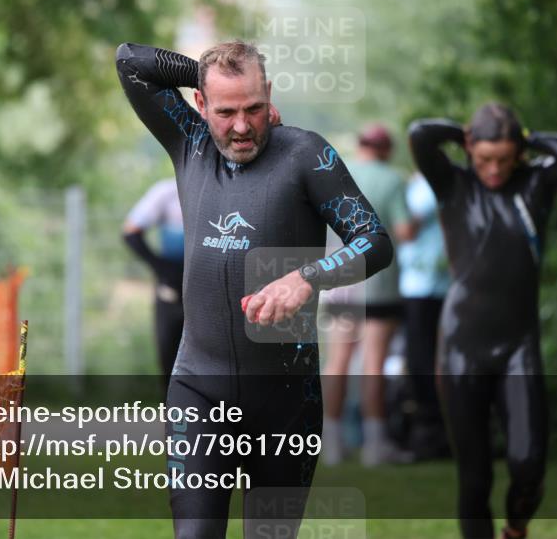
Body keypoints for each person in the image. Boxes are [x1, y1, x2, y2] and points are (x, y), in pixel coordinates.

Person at [115, 41, 393, 539]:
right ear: (201, 103)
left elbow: (375, 241)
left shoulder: (305, 154)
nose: (241, 126)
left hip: (288, 400)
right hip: (199, 391)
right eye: (226, 111)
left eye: (254, 108)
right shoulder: (190, 143)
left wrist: (307, 278)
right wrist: (201, 69)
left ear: (270, 96)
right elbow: (130, 62)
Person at [408, 103, 557, 539]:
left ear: (518, 155)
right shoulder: (453, 184)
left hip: (517, 347)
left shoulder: (537, 184)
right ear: (471, 151)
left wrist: (527, 138)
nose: (493, 169)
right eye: (484, 158)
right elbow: (420, 134)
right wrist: (465, 134)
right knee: (475, 479)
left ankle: (515, 527)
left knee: (528, 464)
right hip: (460, 347)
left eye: (503, 159)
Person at [319, 123, 414, 466]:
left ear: (360, 145)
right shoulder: (392, 181)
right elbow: (404, 232)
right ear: (387, 150)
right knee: (373, 366)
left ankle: (332, 445)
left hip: (340, 286)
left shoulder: (334, 173)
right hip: (380, 288)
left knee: (337, 365)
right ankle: (375, 446)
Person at [399, 170, 452, 462]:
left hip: (425, 286)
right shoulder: (429, 183)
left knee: (423, 361)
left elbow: (407, 229)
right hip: (427, 284)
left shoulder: (426, 186)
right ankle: (434, 433)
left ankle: (431, 435)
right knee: (426, 360)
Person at [123, 177, 185, 390]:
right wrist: (163, 269)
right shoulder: (167, 192)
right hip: (172, 290)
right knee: (169, 357)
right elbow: (130, 232)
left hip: (210, 288)